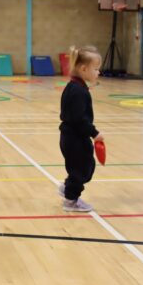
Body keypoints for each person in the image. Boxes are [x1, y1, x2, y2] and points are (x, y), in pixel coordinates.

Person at [58, 45, 104, 213]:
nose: (98, 72)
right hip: (75, 139)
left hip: (71, 137)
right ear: (84, 69)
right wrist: (95, 133)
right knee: (81, 170)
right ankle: (71, 200)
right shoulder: (78, 91)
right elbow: (79, 120)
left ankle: (67, 188)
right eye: (96, 69)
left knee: (83, 167)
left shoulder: (75, 86)